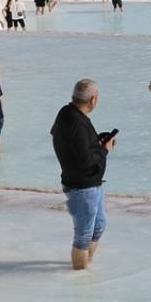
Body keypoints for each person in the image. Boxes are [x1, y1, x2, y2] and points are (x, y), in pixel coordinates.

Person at [51, 79, 114, 270]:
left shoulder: (66, 112)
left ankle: (87, 264)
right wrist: (104, 150)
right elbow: (86, 160)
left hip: (88, 182)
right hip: (82, 186)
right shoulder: (77, 123)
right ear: (93, 99)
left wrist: (95, 143)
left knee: (99, 225)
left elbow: (74, 145)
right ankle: (80, 277)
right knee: (83, 235)